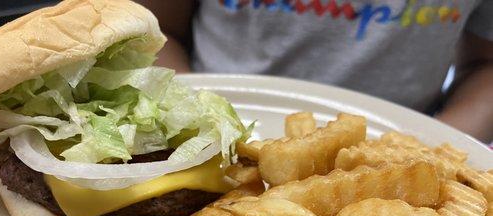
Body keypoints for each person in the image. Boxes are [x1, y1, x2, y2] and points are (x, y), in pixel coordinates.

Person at [139, 0, 493, 143]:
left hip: (409, 146)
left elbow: (485, 65)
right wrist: (194, 129)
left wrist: (440, 148)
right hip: (208, 133)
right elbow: (154, 30)